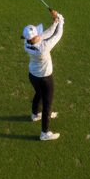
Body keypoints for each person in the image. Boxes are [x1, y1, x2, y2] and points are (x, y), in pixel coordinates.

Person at [23, 8, 64, 141]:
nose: (39, 35)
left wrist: (55, 21)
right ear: (34, 37)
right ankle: (44, 133)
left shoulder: (26, 43)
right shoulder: (43, 47)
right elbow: (57, 35)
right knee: (47, 104)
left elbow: (45, 34)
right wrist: (61, 21)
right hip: (45, 79)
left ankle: (35, 114)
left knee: (38, 94)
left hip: (33, 76)